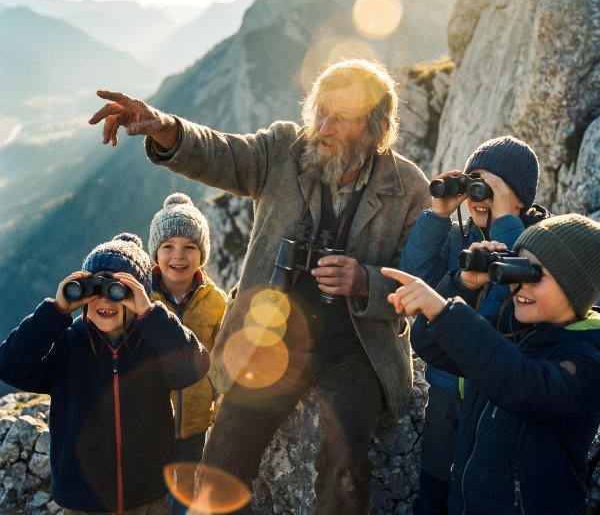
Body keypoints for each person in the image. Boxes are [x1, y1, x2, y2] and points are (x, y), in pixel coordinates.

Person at [89, 58, 432, 514]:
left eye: (341, 117)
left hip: (356, 351)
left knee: (345, 460)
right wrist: (165, 127)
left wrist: (363, 280)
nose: (324, 126)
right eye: (321, 111)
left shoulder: (407, 187)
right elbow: (222, 154)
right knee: (224, 451)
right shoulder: (284, 150)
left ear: (373, 128)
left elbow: (418, 280)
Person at [383, 213, 600, 514]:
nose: (521, 285)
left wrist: (445, 311)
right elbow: (432, 345)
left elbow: (520, 384)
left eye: (534, 274)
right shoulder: (514, 329)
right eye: (517, 269)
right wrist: (463, 283)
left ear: (574, 286)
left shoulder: (587, 358)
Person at [0, 233, 210, 514]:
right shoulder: (67, 346)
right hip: (83, 501)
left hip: (148, 498)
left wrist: (150, 313)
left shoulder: (154, 345)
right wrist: (56, 310)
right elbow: (10, 366)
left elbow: (194, 366)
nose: (104, 299)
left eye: (118, 289)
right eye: (93, 288)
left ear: (139, 295)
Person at [397, 135, 550, 514]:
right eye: (473, 184)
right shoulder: (456, 237)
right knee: (434, 490)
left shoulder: (537, 240)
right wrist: (437, 214)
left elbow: (519, 291)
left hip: (498, 400)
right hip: (447, 393)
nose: (479, 196)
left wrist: (505, 223)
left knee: (482, 488)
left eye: (491, 187)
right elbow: (416, 282)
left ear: (520, 199)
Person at [148, 193, 227, 514]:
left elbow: (223, 364)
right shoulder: (141, 301)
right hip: (150, 426)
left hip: (195, 426)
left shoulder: (217, 302)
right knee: (151, 499)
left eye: (189, 247)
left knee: (185, 500)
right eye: (168, 246)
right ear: (155, 252)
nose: (178, 256)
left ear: (202, 254)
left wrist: (220, 407)